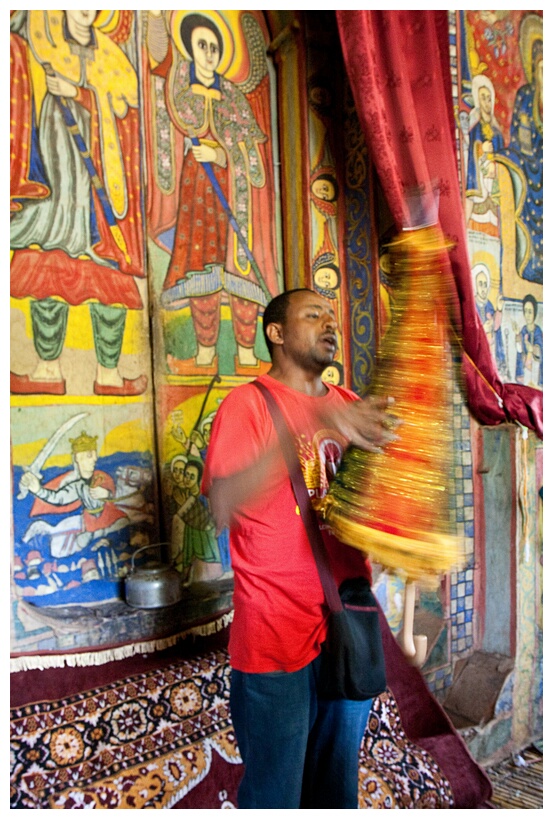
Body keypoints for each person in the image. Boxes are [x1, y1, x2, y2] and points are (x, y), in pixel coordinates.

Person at [202, 288, 399, 809]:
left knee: (335, 793)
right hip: (274, 635)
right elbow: (223, 502)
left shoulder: (351, 405)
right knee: (276, 796)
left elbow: (382, 507)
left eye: (332, 315)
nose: (329, 323)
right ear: (276, 333)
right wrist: (317, 423)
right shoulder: (247, 406)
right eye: (313, 315)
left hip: (347, 620)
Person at [10, 11, 147, 397]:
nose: (86, 9)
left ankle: (108, 375)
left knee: (107, 269)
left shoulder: (112, 57)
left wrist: (80, 94)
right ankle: (45, 370)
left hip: (101, 175)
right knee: (50, 260)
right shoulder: (43, 38)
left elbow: (127, 114)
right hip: (58, 165)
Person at [147, 11, 279, 376]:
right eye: (201, 46)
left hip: (235, 199)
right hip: (197, 197)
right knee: (202, 273)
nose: (207, 54)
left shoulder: (233, 96)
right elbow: (160, 71)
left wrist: (221, 154)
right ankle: (204, 357)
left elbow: (252, 152)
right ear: (189, 47)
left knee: (241, 274)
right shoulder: (180, 88)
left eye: (214, 48)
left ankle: (247, 355)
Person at [514, 294, 542, 388]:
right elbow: (520, 350)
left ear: (535, 312)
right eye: (525, 311)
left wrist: (532, 349)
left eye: (530, 312)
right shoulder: (523, 330)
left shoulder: (538, 331)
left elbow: (540, 350)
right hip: (526, 370)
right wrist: (518, 335)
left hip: (535, 370)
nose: (527, 315)